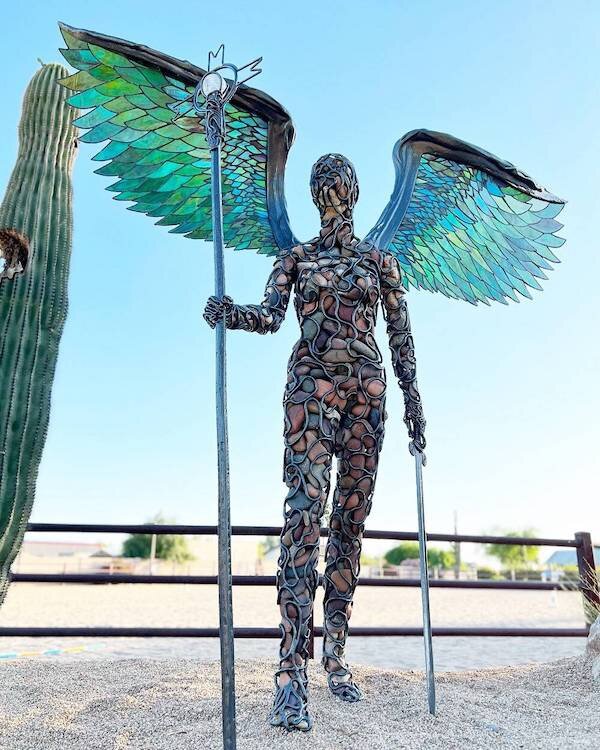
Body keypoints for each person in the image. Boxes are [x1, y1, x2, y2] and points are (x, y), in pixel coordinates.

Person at [204, 153, 425, 731]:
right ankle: (289, 672)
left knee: (350, 524)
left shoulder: (380, 262)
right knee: (303, 516)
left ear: (354, 191)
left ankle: (335, 655)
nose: (332, 181)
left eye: (341, 176)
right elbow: (271, 316)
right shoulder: (295, 259)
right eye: (323, 177)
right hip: (311, 388)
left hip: (367, 395)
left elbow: (401, 337)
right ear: (313, 194)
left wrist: (414, 404)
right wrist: (232, 313)